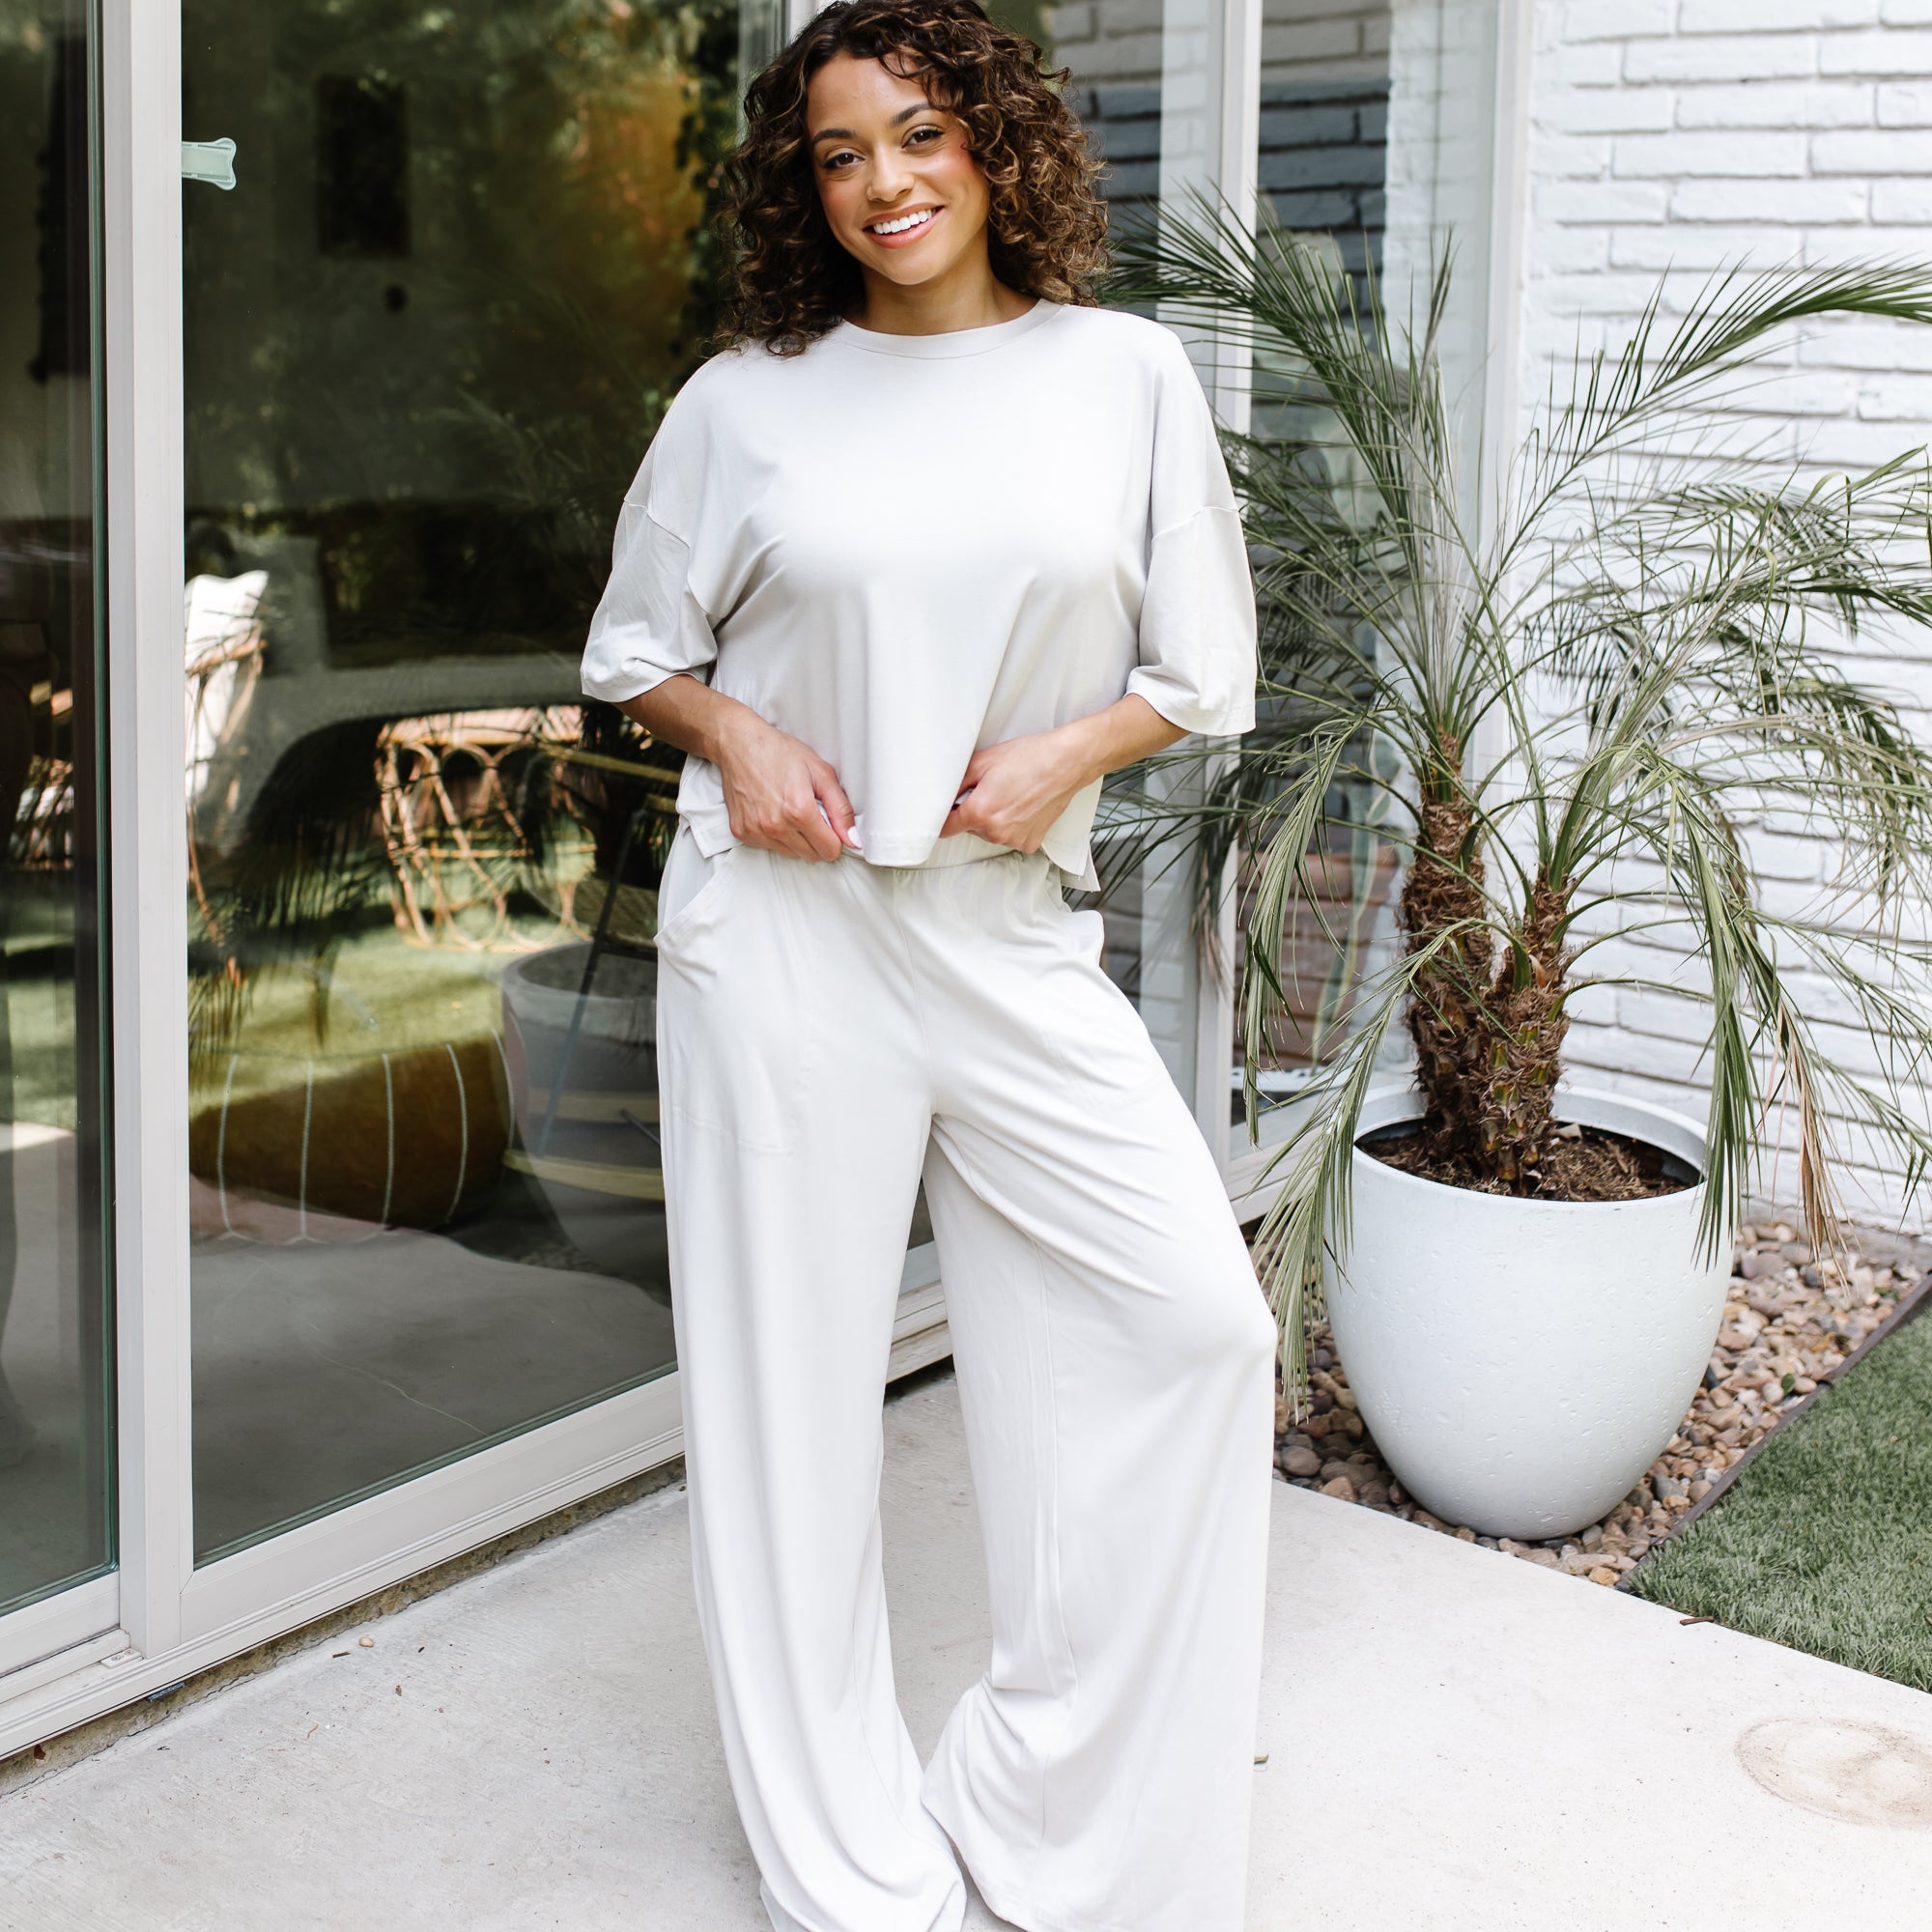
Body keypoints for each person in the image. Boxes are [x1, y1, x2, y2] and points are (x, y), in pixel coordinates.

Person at [580, 4, 1275, 1926]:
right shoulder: (746, 397)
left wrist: (1063, 752)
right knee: (788, 1405)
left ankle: (1038, 1789)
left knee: (1194, 1327)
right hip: (779, 938)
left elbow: (1200, 671)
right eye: (837, 152)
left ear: (993, 141)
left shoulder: (1120, 373)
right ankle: (847, 1864)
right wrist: (740, 737)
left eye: (916, 134)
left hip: (1000, 930)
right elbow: (633, 644)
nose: (884, 181)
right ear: (801, 187)